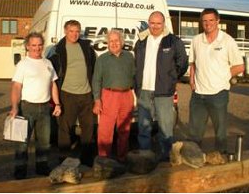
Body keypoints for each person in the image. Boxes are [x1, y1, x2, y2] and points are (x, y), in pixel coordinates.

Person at [188, 8, 245, 153]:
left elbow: (240, 66)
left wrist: (223, 76)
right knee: (194, 133)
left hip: (218, 94)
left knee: (220, 133)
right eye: (204, 20)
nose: (208, 23)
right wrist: (192, 82)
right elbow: (193, 63)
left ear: (218, 21)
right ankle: (193, 157)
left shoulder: (227, 41)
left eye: (211, 20)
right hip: (198, 95)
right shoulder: (196, 40)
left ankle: (221, 158)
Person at [134, 11, 188, 161]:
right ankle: (145, 156)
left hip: (164, 92)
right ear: (148, 23)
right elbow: (136, 64)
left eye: (158, 23)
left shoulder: (173, 41)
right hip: (144, 90)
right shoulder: (142, 41)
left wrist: (171, 79)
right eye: (152, 23)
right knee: (143, 127)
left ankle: (166, 157)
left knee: (165, 127)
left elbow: (182, 62)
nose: (155, 26)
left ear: (163, 24)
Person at [9, 32, 61, 180]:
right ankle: (20, 171)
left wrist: (57, 103)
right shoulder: (23, 64)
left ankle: (42, 167)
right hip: (26, 108)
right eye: (33, 45)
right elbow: (16, 87)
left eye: (39, 45)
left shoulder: (47, 63)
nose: (37, 48)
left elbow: (53, 84)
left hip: (45, 108)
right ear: (27, 46)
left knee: (44, 142)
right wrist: (14, 107)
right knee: (22, 143)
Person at [48, 20, 96, 166]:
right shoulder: (58, 49)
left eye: (77, 31)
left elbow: (94, 69)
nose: (74, 34)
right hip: (67, 94)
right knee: (65, 130)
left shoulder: (87, 47)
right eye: (71, 31)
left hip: (86, 94)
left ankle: (87, 160)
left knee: (88, 129)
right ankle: (64, 161)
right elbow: (50, 73)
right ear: (65, 31)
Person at [92, 30, 135, 162]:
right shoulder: (102, 59)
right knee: (105, 130)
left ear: (122, 42)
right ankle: (104, 159)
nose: (114, 43)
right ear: (107, 43)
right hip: (109, 95)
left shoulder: (129, 57)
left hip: (126, 95)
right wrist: (97, 100)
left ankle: (122, 157)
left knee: (125, 129)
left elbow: (135, 76)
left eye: (117, 41)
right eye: (111, 41)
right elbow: (96, 80)